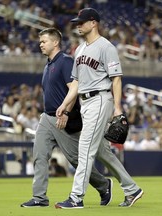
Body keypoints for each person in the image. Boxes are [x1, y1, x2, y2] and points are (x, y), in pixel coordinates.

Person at [55, 8, 143, 209]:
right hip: (85, 103)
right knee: (103, 151)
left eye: (82, 22)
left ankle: (76, 197)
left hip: (101, 99)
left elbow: (116, 79)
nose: (78, 25)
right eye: (77, 22)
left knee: (85, 148)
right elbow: (76, 83)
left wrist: (118, 108)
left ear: (93, 23)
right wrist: (64, 105)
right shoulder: (79, 49)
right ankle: (132, 189)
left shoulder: (106, 47)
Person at [20, 27, 112, 208]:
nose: (41, 44)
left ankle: (103, 185)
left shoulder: (65, 62)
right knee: (39, 155)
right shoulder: (48, 65)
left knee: (76, 159)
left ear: (55, 42)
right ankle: (39, 197)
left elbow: (75, 88)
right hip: (47, 117)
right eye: (40, 42)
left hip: (62, 118)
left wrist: (67, 112)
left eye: (44, 41)